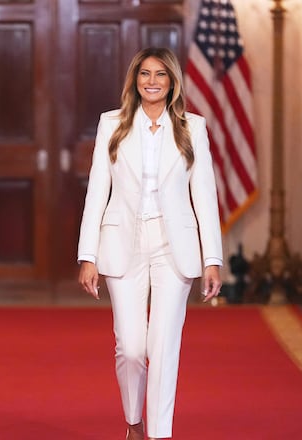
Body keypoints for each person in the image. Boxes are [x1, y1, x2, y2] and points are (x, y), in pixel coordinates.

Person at [77, 47, 222, 440]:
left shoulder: (194, 127)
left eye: (160, 74)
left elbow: (204, 196)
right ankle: (132, 421)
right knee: (131, 347)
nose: (152, 81)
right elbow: (97, 192)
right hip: (123, 242)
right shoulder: (113, 124)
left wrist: (212, 259)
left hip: (174, 247)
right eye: (145, 74)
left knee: (163, 347)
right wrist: (87, 255)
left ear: (173, 81)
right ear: (135, 80)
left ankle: (159, 433)